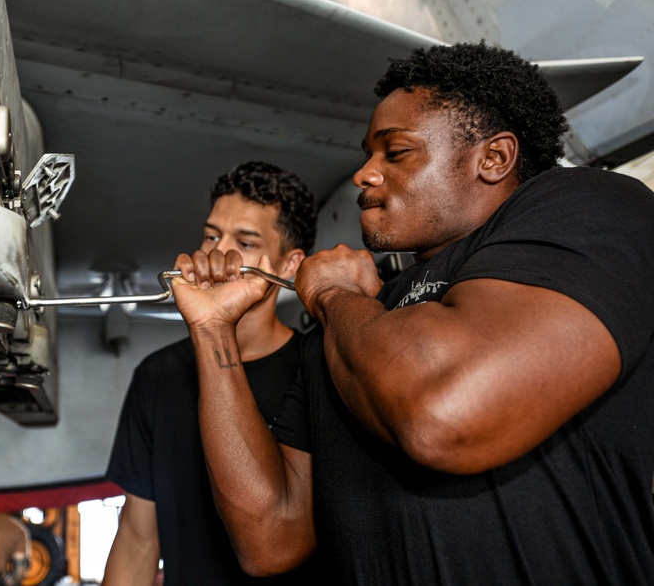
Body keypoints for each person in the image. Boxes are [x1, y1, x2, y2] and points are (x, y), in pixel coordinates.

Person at [172, 42, 654, 583]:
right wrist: (213, 330)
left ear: (493, 159)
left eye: (394, 152)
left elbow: (445, 414)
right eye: (367, 154)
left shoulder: (587, 207)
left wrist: (334, 297)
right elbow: (270, 538)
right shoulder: (352, 322)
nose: (363, 174)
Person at [103, 161, 319, 585]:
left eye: (246, 241)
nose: (218, 254)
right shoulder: (157, 375)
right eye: (211, 235)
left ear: (289, 264)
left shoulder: (317, 368)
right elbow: (138, 538)